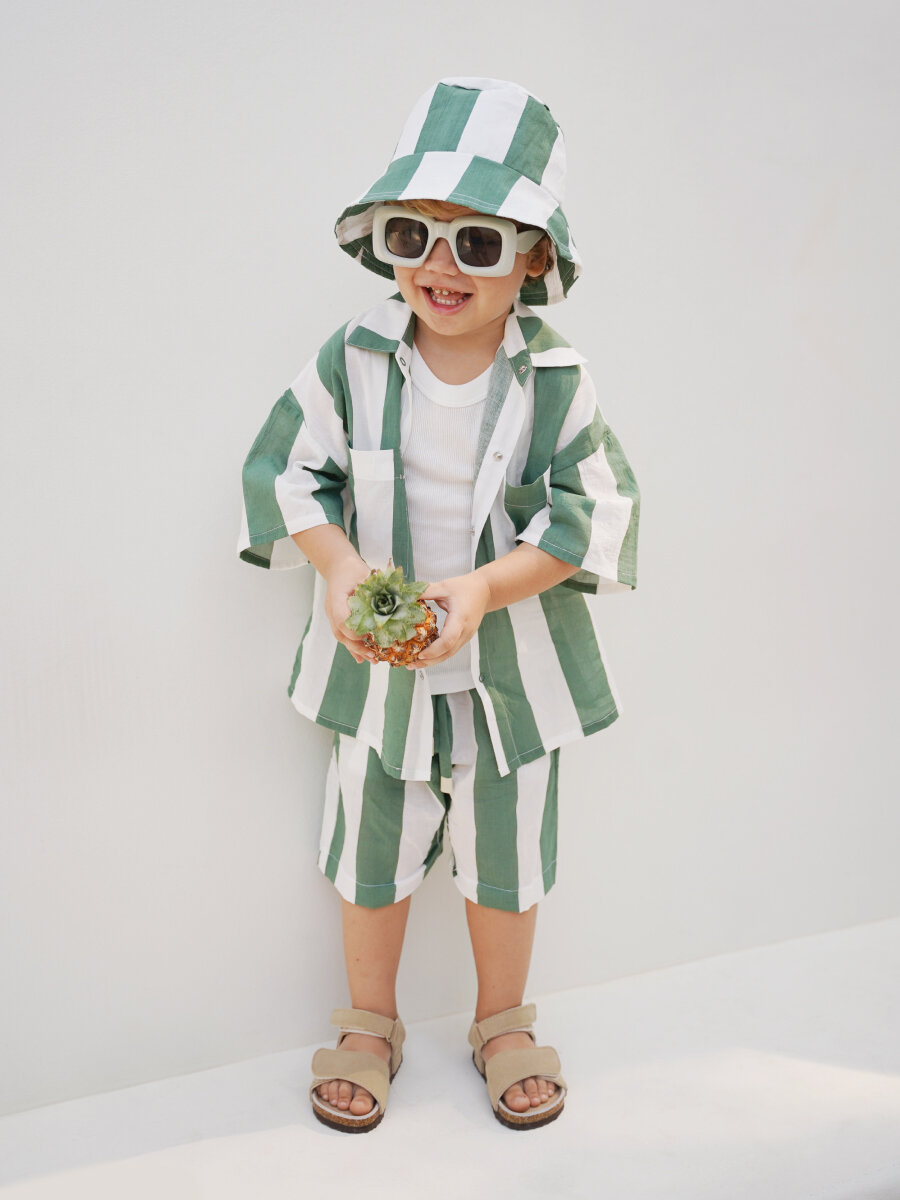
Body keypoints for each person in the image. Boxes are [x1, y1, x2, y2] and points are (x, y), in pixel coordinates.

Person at [237, 77, 640, 1133]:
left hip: (513, 674)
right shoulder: (355, 356)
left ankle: (502, 1021)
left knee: (506, 860)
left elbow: (593, 511)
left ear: (535, 259)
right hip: (376, 671)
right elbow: (287, 471)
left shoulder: (557, 377)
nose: (439, 266)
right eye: (413, 234)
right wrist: (335, 568)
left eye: (479, 244)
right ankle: (369, 1023)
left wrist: (485, 589)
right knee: (370, 849)